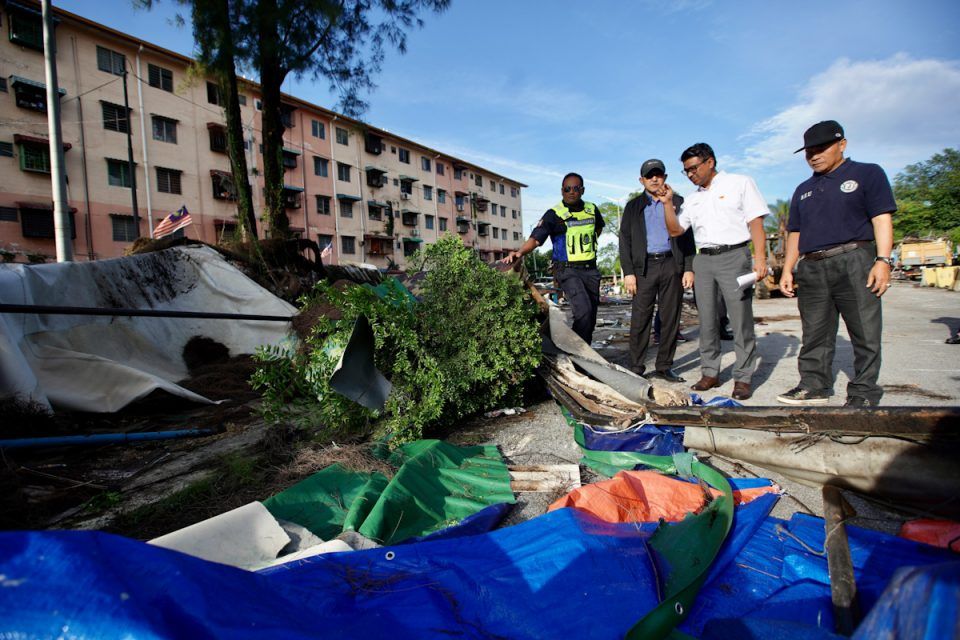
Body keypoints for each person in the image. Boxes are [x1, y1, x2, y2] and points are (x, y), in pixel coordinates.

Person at [776, 120, 896, 407]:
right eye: (809, 151)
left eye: (821, 148)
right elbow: (796, 232)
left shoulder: (867, 174)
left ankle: (863, 392)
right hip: (813, 266)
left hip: (854, 259)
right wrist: (787, 268)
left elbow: (881, 218)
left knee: (864, 331)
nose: (814, 155)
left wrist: (883, 260)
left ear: (842, 144)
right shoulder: (803, 189)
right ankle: (814, 384)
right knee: (814, 331)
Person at [662, 143, 768, 400]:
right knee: (707, 320)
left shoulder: (740, 183)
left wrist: (760, 258)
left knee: (740, 318)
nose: (690, 174)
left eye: (693, 168)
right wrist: (667, 204)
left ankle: (742, 377)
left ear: (710, 162)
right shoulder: (693, 199)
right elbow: (676, 231)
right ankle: (710, 372)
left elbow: (755, 221)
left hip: (735, 256)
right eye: (685, 171)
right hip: (704, 260)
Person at [502, 172, 604, 344]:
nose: (571, 192)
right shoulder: (554, 214)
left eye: (576, 188)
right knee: (583, 311)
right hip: (567, 270)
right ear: (562, 191)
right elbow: (536, 239)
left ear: (583, 190)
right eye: (567, 189)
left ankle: (585, 354)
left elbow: (598, 229)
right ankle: (576, 353)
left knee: (591, 316)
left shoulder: (592, 209)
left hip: (591, 270)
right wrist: (520, 252)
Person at [619, 159, 695, 382]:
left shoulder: (678, 202)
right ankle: (636, 366)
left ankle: (664, 366)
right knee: (640, 318)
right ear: (641, 180)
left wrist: (689, 268)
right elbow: (625, 241)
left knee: (670, 317)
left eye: (658, 175)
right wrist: (629, 272)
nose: (654, 179)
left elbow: (687, 237)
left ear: (665, 177)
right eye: (649, 175)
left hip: (672, 265)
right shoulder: (633, 207)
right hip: (644, 268)